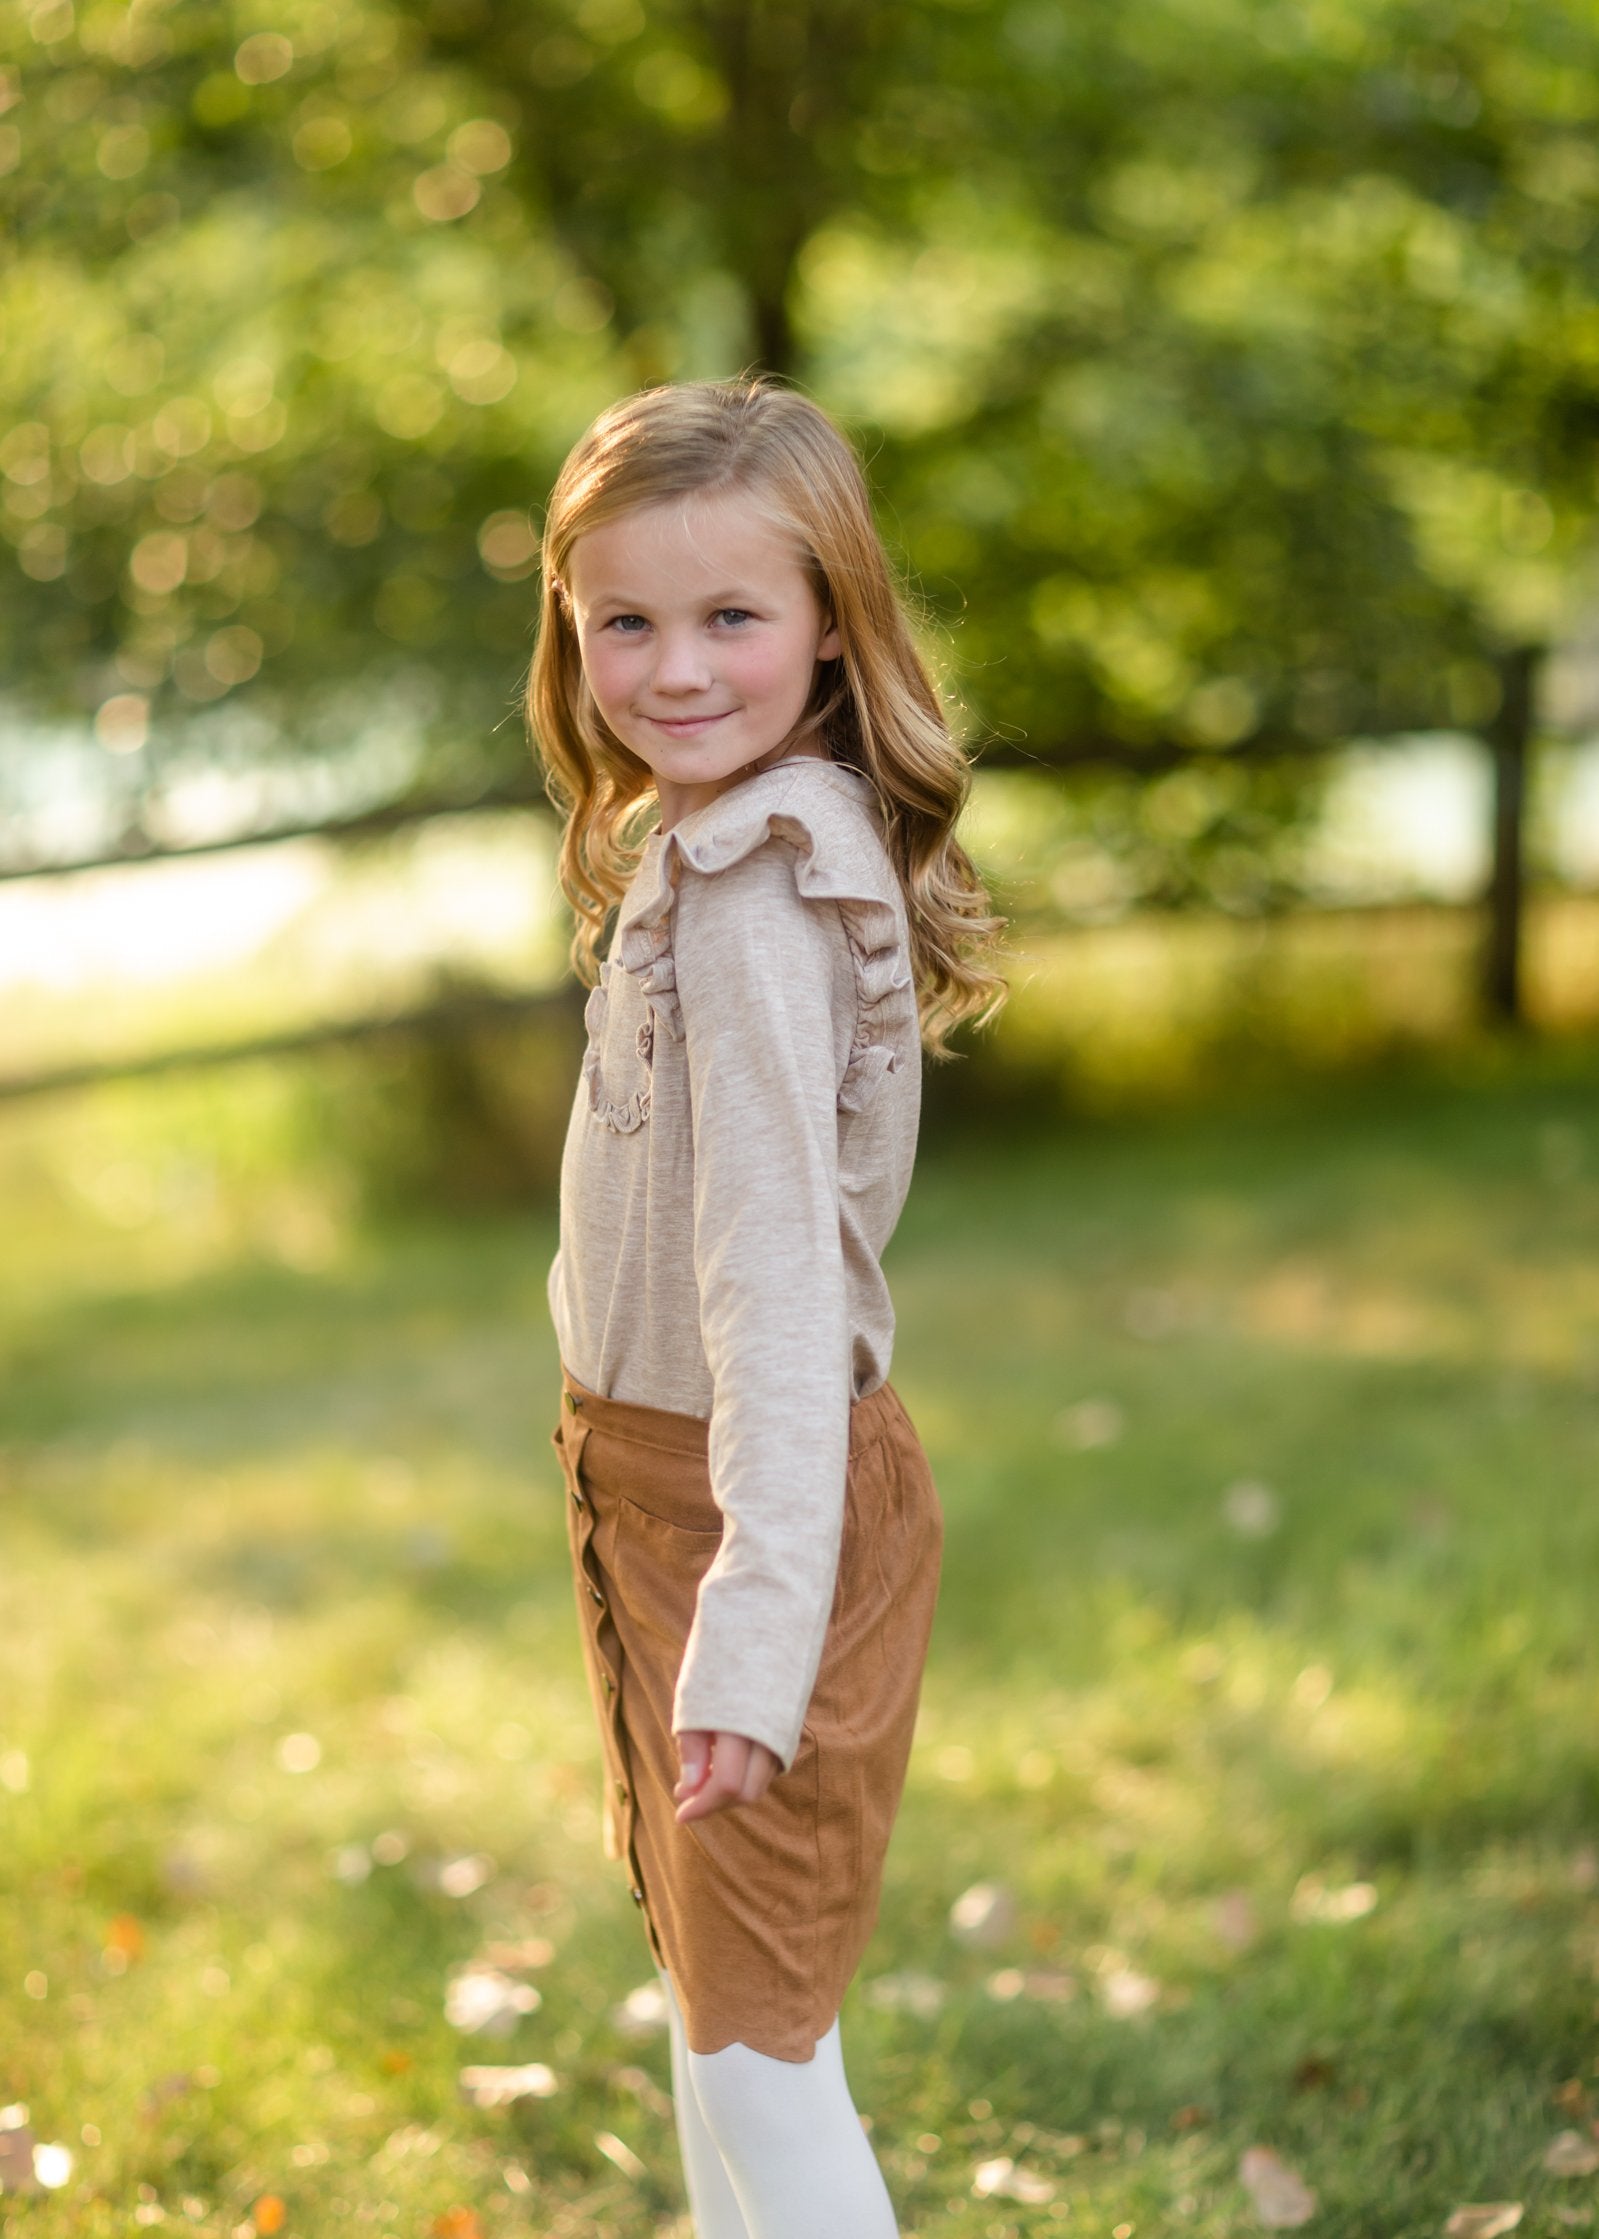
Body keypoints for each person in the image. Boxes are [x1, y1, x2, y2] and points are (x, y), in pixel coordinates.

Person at [527, 374, 1005, 2239]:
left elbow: (782, 1298)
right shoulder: (710, 841)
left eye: (733, 616)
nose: (674, 666)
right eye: (624, 620)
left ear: (831, 620)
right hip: (664, 1497)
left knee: (760, 2056)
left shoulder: (751, 889)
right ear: (569, 630)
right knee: (715, 2014)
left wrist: (751, 1626)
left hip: (753, 1517)